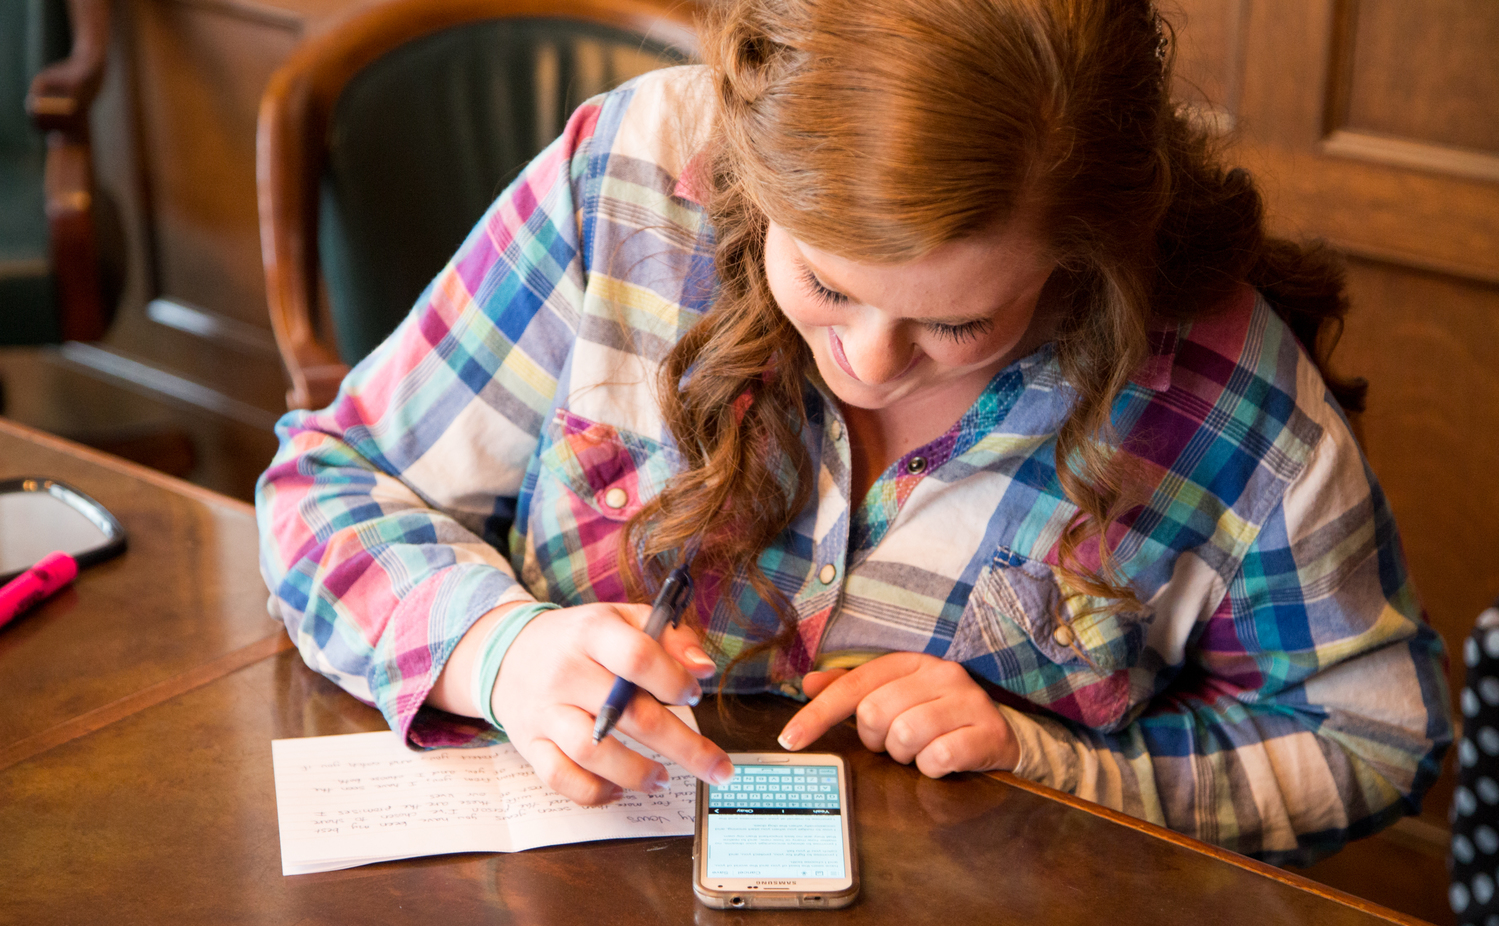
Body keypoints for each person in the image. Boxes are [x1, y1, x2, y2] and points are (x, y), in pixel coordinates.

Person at [257, 0, 1451, 866]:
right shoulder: (628, 176)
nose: (867, 363)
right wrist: (499, 651)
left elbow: (1367, 739)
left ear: (1084, 255)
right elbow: (328, 483)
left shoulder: (1216, 390)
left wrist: (1053, 761)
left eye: (959, 322)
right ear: (749, 171)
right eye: (825, 284)